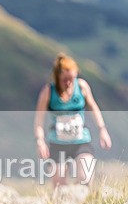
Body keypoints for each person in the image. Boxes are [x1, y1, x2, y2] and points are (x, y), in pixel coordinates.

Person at [33, 53, 111, 187]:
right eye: (65, 79)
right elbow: (39, 121)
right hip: (57, 144)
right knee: (59, 187)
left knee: (85, 179)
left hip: (81, 142)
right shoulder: (48, 92)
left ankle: (79, 201)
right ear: (57, 77)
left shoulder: (81, 87)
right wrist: (40, 141)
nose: (69, 83)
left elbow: (93, 107)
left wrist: (102, 130)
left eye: (72, 78)